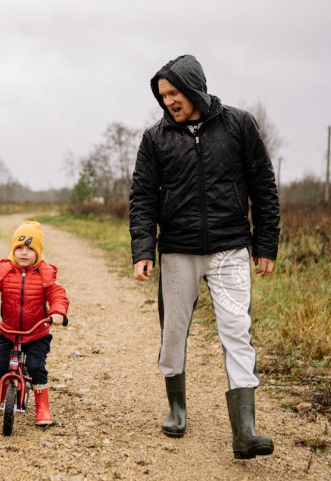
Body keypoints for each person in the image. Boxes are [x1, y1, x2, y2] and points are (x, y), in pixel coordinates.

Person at [129, 55, 280, 459]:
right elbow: (142, 197)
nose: (169, 102)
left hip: (231, 247)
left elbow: (263, 184)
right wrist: (143, 249)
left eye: (174, 93)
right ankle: (177, 409)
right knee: (173, 333)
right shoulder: (154, 138)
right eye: (163, 96)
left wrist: (266, 243)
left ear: (194, 87)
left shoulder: (238, 124)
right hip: (178, 250)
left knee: (237, 330)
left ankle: (244, 431)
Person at [0, 221, 69, 426]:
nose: (24, 253)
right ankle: (2, 386)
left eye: (30, 249)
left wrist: (58, 311)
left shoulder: (45, 273)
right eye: (19, 248)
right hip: (9, 330)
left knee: (36, 367)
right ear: (13, 250)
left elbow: (57, 294)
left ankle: (42, 408)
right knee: (1, 367)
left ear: (38, 252)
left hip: (36, 333)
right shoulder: (4, 271)